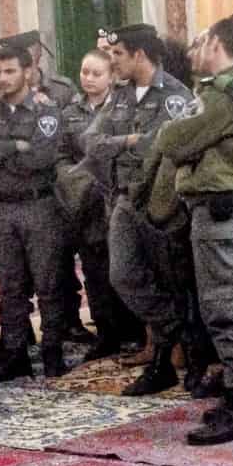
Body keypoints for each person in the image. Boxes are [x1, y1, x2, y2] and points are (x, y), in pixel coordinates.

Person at [138, 16, 233, 444]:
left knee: (225, 305)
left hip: (218, 211)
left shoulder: (227, 91)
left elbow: (178, 141)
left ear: (216, 43)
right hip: (228, 209)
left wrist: (166, 132)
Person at [83, 23, 193, 395]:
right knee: (123, 275)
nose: (111, 61)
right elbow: (91, 141)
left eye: (117, 55)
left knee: (173, 280)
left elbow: (166, 147)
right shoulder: (119, 96)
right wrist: (129, 139)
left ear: (139, 55)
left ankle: (172, 359)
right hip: (125, 200)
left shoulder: (175, 95)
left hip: (162, 203)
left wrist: (127, 143)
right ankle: (174, 332)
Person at [0, 43, 67, 381]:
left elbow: (39, 159)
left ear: (27, 72)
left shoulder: (46, 112)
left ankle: (52, 351)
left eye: (9, 71)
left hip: (37, 205)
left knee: (48, 283)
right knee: (10, 287)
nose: (1, 77)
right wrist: (15, 144)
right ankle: (14, 354)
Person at [59, 48, 142, 361]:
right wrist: (72, 181)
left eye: (96, 73)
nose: (89, 79)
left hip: (119, 194)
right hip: (85, 200)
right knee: (95, 269)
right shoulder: (70, 112)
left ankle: (134, 331)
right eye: (84, 72)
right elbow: (62, 154)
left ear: (111, 76)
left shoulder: (126, 105)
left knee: (126, 263)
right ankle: (106, 333)